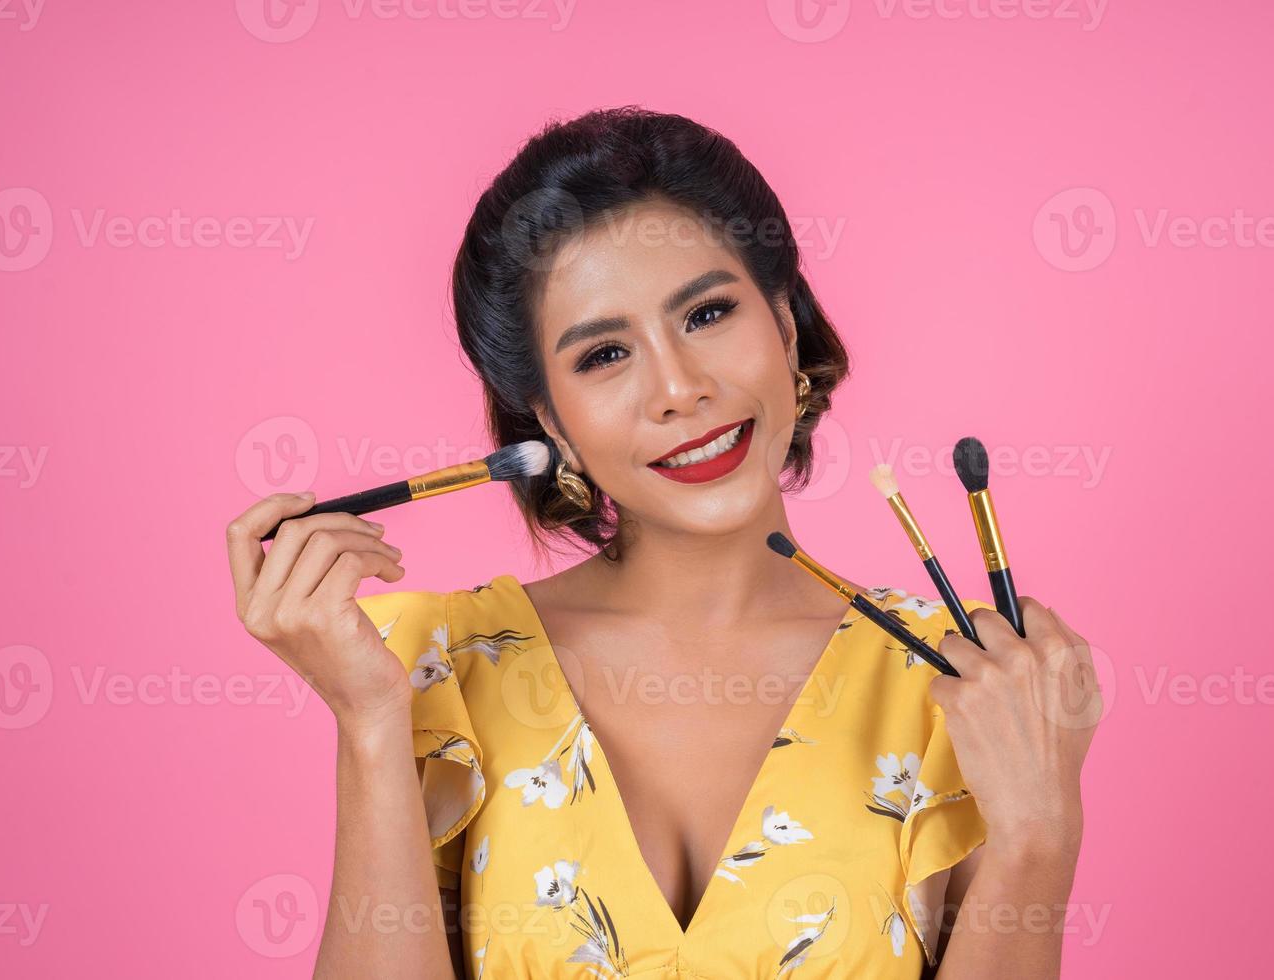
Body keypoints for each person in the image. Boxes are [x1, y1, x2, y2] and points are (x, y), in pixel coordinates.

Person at [225, 107, 1099, 979]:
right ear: (548, 422)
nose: (679, 389)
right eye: (605, 356)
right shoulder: (436, 672)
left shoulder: (963, 684)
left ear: (787, 327)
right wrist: (371, 723)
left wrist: (1039, 836)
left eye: (709, 313)